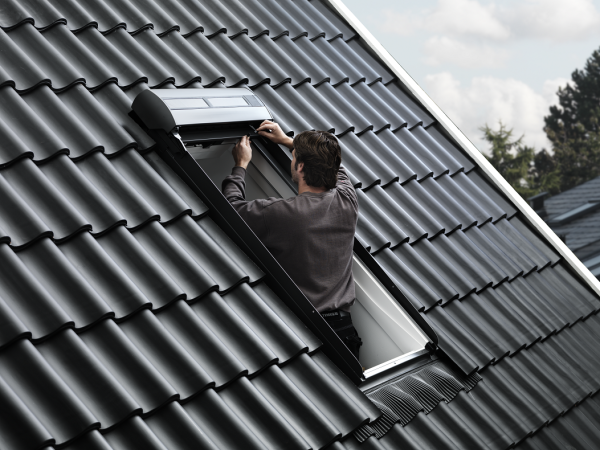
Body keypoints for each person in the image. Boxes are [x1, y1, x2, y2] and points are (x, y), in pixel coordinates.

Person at [222, 120, 362, 359]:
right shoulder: (347, 199)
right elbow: (337, 168)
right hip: (345, 333)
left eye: (293, 156)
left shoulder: (280, 213)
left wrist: (240, 165)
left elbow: (230, 208)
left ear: (300, 167)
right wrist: (288, 141)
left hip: (306, 331)